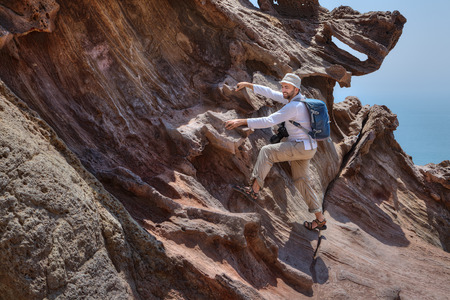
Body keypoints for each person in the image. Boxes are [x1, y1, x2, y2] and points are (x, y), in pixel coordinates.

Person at [225, 73, 326, 230]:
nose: (283, 89)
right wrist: (249, 85)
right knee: (301, 181)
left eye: (287, 87)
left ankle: (254, 189)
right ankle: (319, 219)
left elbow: (269, 120)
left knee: (267, 152)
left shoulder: (294, 106)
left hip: (300, 146)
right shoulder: (299, 100)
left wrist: (242, 121)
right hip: (309, 148)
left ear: (296, 88)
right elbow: (272, 93)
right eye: (283, 86)